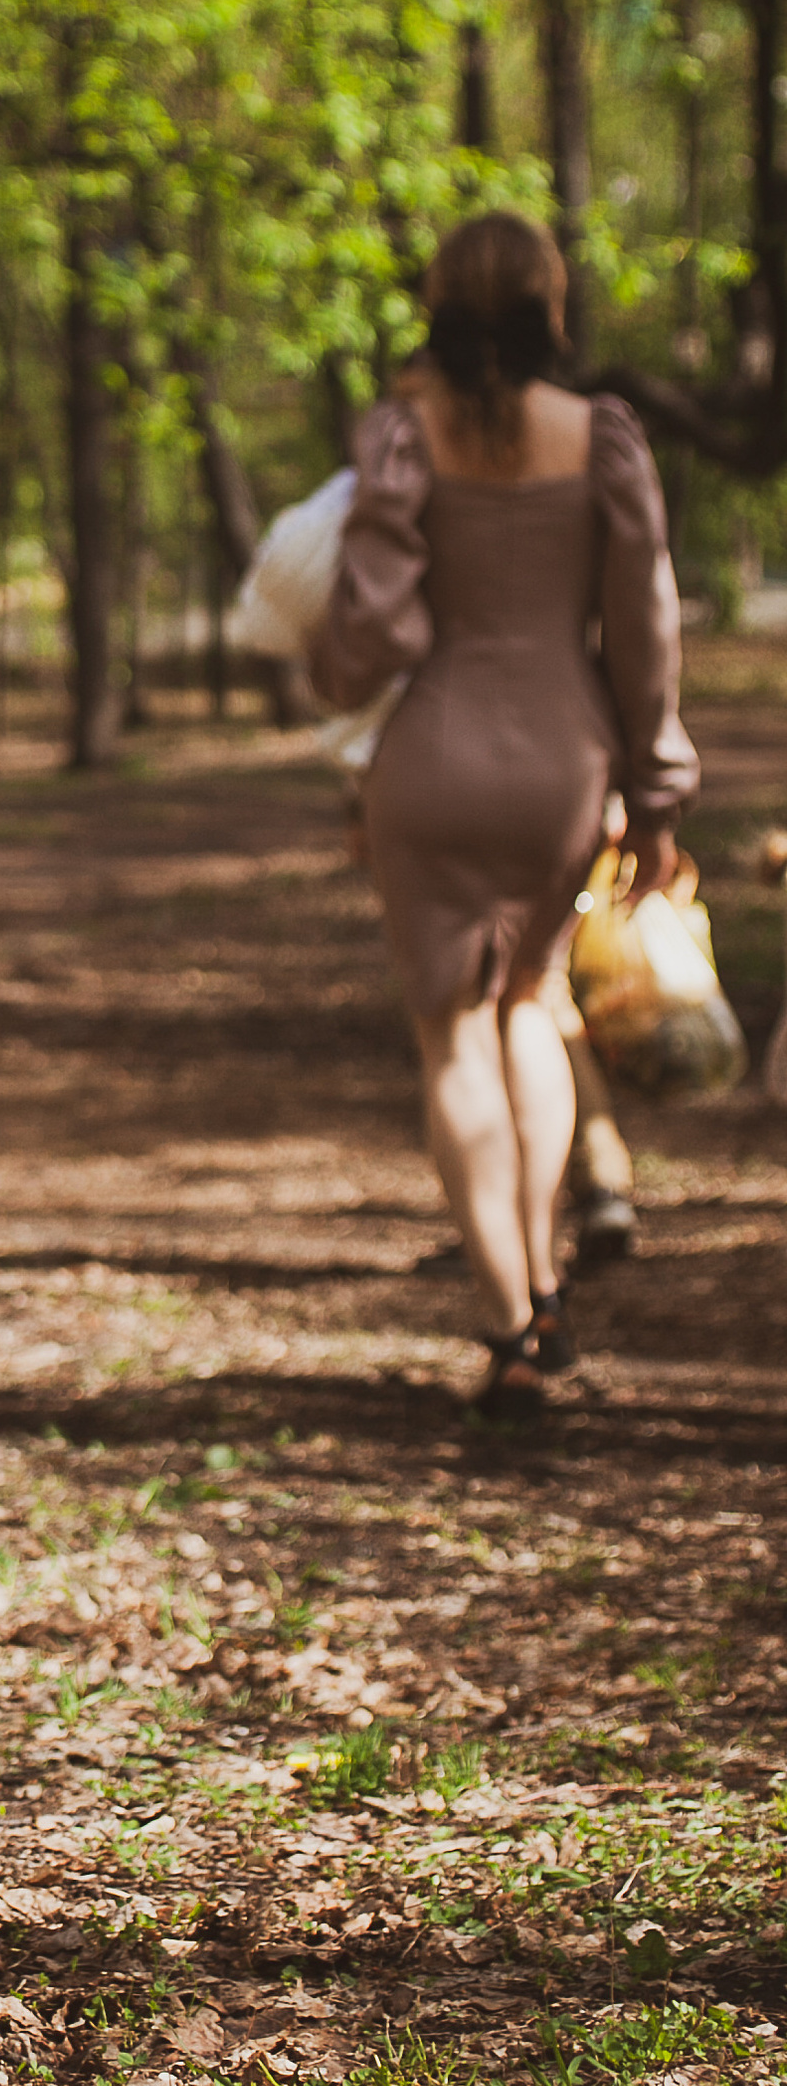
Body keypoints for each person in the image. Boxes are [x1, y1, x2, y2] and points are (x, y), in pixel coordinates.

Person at [313, 213, 697, 1421]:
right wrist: (656, 790)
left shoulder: (401, 439)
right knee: (529, 1002)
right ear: (549, 305)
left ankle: (505, 1321)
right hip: (563, 765)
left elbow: (372, 630)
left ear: (436, 307)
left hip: (429, 760)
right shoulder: (604, 436)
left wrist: (330, 663)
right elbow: (644, 627)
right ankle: (543, 1286)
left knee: (449, 1036)